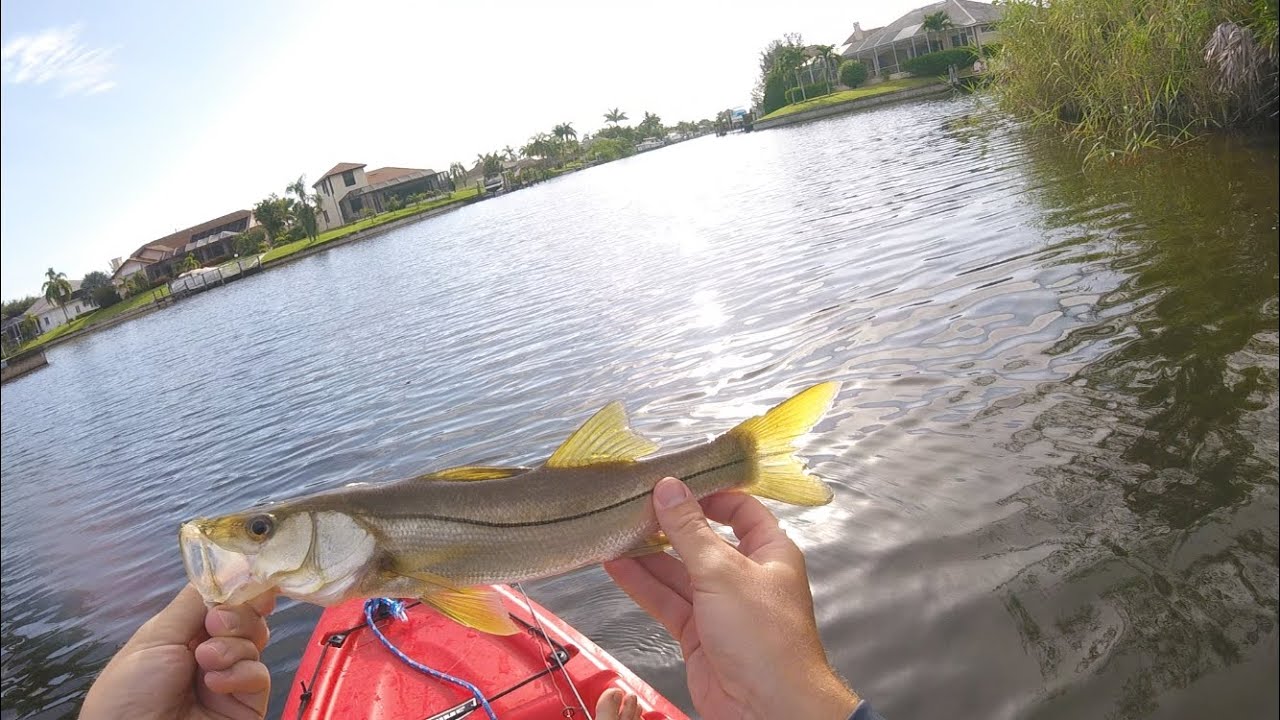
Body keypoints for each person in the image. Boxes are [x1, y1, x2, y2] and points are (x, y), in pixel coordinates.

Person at [80, 478, 880, 720]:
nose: (253, 541)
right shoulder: (379, 562)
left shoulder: (380, 557)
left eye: (262, 529)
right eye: (259, 532)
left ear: (339, 530)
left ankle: (750, 454)